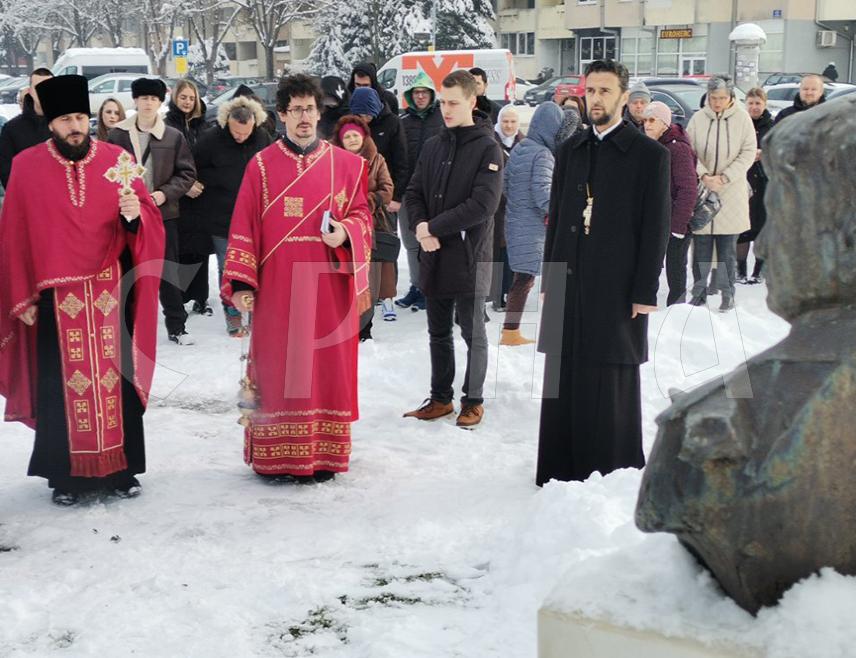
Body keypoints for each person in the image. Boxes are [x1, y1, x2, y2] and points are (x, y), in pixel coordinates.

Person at [0, 74, 164, 505]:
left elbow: (147, 222)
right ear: (49, 122)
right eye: (65, 120)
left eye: (80, 117)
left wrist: (135, 216)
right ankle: (66, 477)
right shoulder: (27, 165)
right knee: (61, 384)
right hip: (55, 296)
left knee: (117, 380)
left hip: (111, 288)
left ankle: (122, 470)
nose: (75, 126)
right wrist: (23, 295)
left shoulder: (117, 159)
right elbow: (14, 234)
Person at [222, 74, 372, 482]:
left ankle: (323, 457)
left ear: (319, 113)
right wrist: (240, 282)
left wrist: (345, 232)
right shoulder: (261, 166)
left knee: (325, 370)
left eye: (310, 109)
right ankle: (276, 458)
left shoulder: (347, 165)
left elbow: (362, 216)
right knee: (277, 368)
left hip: (328, 288)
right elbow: (243, 226)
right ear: (282, 115)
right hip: (278, 290)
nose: (304, 117)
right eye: (295, 110)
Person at [536, 59, 670, 486]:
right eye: (591, 91)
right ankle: (560, 466)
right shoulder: (570, 150)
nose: (596, 99)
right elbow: (555, 217)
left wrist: (645, 290)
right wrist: (549, 276)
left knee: (608, 372)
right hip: (568, 278)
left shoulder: (650, 155)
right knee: (564, 371)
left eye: (605, 91)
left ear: (624, 98)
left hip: (617, 284)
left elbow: (656, 228)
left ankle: (609, 468)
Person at [402, 70, 503, 429]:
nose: (446, 109)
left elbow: (483, 205)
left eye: (453, 103)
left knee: (473, 332)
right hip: (434, 254)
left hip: (469, 256)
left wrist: (434, 227)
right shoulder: (434, 145)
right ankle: (440, 398)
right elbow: (413, 192)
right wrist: (419, 227)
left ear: (472, 102)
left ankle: (472, 400)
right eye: (442, 102)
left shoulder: (487, 146)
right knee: (437, 331)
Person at [108, 78, 196, 344]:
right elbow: (106, 171)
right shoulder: (117, 134)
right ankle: (127, 326)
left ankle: (177, 325)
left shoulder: (172, 136)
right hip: (127, 213)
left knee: (167, 269)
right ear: (135, 100)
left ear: (160, 102)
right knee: (128, 270)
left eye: (153, 99)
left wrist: (164, 194)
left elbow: (187, 173)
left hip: (162, 213)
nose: (148, 103)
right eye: (143, 98)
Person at [192, 94, 272, 336]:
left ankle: (258, 311)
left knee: (258, 265)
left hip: (255, 217)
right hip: (221, 215)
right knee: (229, 266)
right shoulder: (210, 139)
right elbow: (194, 169)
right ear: (228, 123)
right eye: (236, 132)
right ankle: (233, 312)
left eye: (245, 133)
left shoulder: (262, 137)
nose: (240, 137)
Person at [686, 75, 756, 312]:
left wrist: (725, 177)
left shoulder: (743, 119)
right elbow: (690, 151)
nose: (717, 103)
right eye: (714, 98)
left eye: (722, 98)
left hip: (731, 192)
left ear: (731, 98)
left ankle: (728, 294)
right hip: (704, 192)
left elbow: (747, 153)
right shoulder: (697, 119)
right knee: (701, 248)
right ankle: (699, 293)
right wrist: (704, 175)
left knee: (727, 249)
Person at [501, 101, 564, 346]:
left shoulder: (520, 147)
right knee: (528, 279)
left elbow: (506, 185)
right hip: (533, 226)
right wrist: (560, 210)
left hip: (515, 221)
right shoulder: (543, 154)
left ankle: (511, 331)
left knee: (525, 277)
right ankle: (511, 332)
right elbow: (542, 193)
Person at [331, 115, 395, 339]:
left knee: (367, 279)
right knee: (343, 277)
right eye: (346, 136)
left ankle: (364, 328)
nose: (351, 140)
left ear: (364, 137)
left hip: (372, 226)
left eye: (355, 136)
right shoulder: (332, 161)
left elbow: (387, 189)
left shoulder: (377, 159)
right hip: (341, 227)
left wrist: (366, 201)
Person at [396, 71, 445, 312]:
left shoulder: (442, 119)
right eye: (416, 92)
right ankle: (416, 286)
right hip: (408, 191)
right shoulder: (403, 122)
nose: (421, 96)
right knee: (411, 241)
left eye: (425, 92)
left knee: (432, 239)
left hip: (435, 192)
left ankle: (430, 287)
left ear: (432, 94)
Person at [642, 101, 697, 305]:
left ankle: (677, 311)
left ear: (664, 123)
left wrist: (678, 226)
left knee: (675, 269)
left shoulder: (678, 148)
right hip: (656, 218)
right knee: (651, 266)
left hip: (675, 221)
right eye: (645, 120)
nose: (647, 125)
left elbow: (688, 188)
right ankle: (645, 305)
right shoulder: (652, 144)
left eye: (652, 120)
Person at [165, 79, 212, 317]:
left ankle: (201, 297)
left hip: (202, 196)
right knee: (181, 249)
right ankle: (181, 297)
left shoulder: (203, 125)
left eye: (191, 98)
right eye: (183, 97)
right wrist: (185, 185)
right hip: (179, 196)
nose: (187, 102)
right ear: (175, 98)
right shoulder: (167, 125)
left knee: (200, 249)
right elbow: (165, 162)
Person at [489, 103, 524, 312]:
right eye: (505, 121)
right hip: (495, 207)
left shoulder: (523, 143)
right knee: (496, 251)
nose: (509, 125)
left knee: (512, 252)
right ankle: (495, 293)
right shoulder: (490, 143)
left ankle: (509, 293)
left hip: (516, 208)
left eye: (512, 122)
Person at [739, 87, 774, 285]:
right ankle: (740, 269)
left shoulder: (772, 125)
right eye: (751, 103)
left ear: (764, 104)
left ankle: (758, 270)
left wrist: (764, 154)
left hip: (765, 182)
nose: (754, 107)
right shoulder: (741, 124)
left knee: (762, 228)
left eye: (758, 103)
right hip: (744, 182)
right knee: (743, 227)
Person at [0, 67, 53, 189]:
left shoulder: (65, 125)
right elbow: (6, 172)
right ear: (30, 91)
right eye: (38, 87)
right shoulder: (12, 129)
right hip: (27, 199)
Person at [318, 75, 350, 140]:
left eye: (331, 98)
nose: (328, 102)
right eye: (325, 98)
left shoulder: (349, 116)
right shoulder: (321, 112)